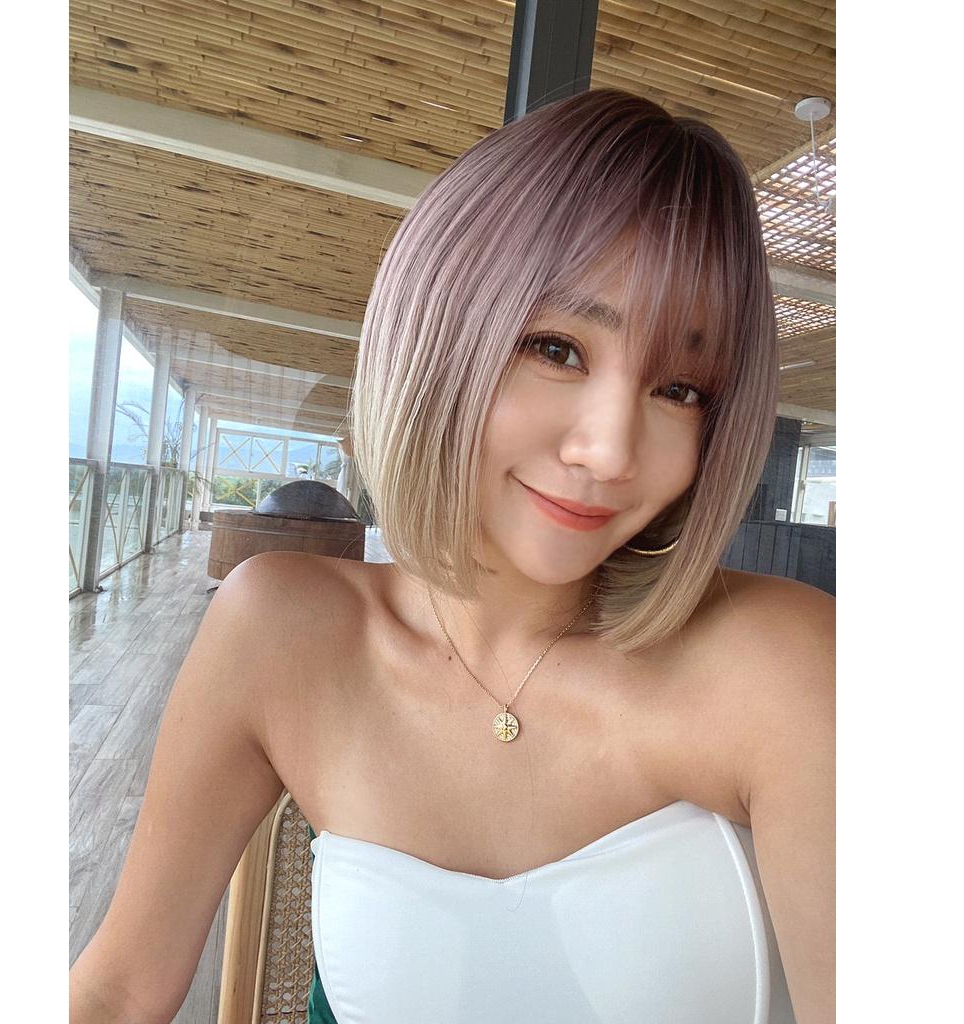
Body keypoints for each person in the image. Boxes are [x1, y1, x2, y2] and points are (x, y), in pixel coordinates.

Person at [70, 87, 835, 1024]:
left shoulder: (786, 667)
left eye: (680, 389)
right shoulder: (284, 631)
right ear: (438, 331)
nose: (611, 452)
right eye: (557, 348)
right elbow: (119, 990)